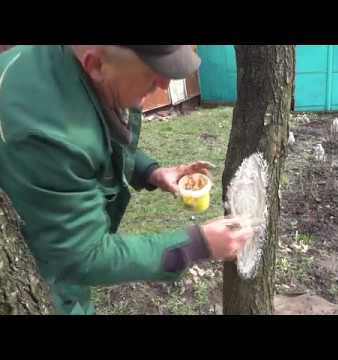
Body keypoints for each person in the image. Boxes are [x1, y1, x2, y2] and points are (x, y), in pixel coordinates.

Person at [0, 45, 253, 315]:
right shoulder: (47, 134)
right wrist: (195, 245)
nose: (164, 83)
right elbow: (83, 255)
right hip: (36, 277)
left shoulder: (69, 63)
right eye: (151, 71)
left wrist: (150, 172)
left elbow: (97, 126)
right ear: (96, 65)